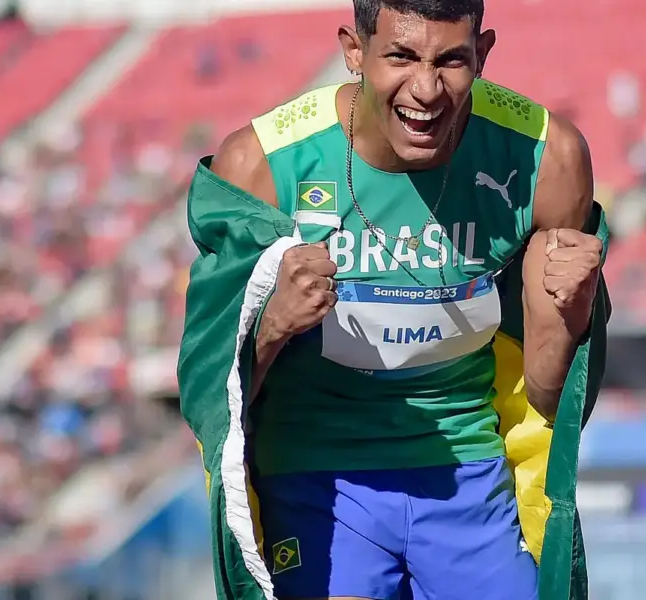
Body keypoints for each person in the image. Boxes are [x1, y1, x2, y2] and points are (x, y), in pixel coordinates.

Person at [207, 1, 604, 598]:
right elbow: (216, 402)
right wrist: (270, 326)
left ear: (484, 54)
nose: (426, 89)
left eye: (451, 61)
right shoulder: (263, 165)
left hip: (469, 476)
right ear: (353, 50)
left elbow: (548, 400)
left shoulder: (544, 160)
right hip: (316, 478)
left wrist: (574, 313)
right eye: (400, 56)